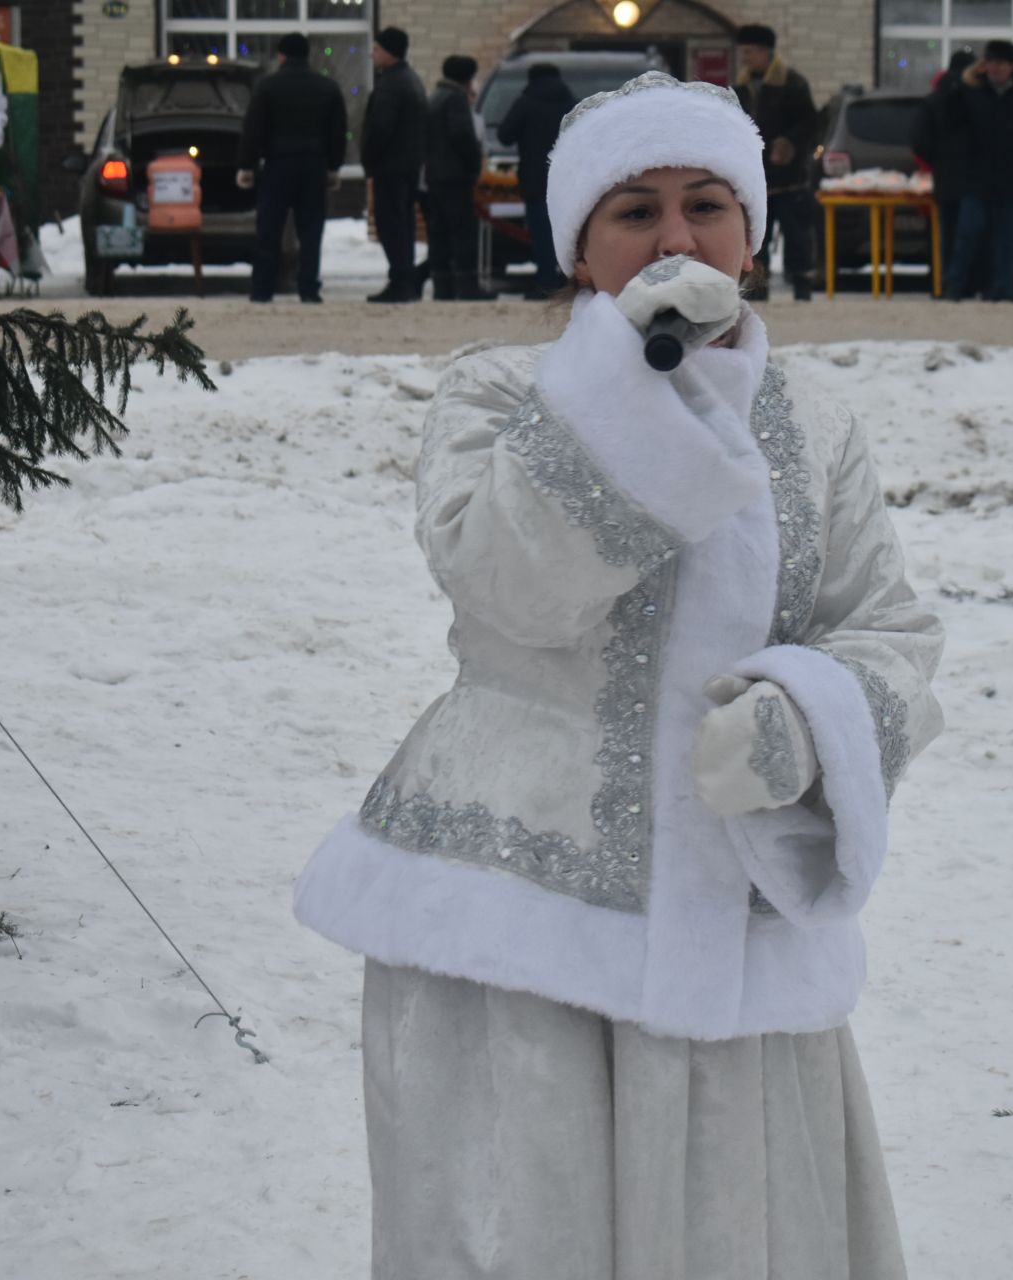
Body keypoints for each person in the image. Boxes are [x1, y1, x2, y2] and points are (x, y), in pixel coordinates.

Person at [293, 70, 941, 1279]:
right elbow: (505, 583)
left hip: (738, 924)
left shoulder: (819, 422)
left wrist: (808, 721)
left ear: (751, 232)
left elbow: (888, 628)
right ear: (580, 246)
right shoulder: (500, 390)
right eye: (635, 210)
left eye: (707, 204)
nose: (677, 236)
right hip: (517, 932)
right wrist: (641, 388)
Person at [237, 32, 347, 304]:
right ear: (307, 55)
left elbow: (254, 129)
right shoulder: (327, 87)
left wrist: (246, 165)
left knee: (269, 230)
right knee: (310, 231)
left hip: (277, 165)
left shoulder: (267, 86)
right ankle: (308, 288)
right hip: (313, 165)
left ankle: (263, 288)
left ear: (281, 55)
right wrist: (334, 167)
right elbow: (338, 132)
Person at [946, 40, 1013, 302]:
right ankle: (954, 285)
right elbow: (953, 127)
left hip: (1011, 178)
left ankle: (1003, 287)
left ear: (1012, 67)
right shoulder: (969, 94)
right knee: (967, 233)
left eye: (1000, 64)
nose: (994, 68)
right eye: (990, 63)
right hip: (976, 177)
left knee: (1007, 238)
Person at [735, 23, 820, 300]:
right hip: (757, 178)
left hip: (791, 178)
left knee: (797, 236)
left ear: (764, 52)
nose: (744, 58)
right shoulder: (742, 87)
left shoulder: (792, 84)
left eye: (748, 52)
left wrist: (790, 143)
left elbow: (810, 123)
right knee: (758, 238)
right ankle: (759, 290)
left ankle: (802, 288)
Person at [497, 61, 577, 297]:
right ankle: (567, 279)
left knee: (541, 232)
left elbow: (504, 136)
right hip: (566, 179)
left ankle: (545, 280)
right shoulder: (571, 103)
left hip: (534, 179)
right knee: (565, 231)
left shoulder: (525, 103)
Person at [362, 27, 427, 304]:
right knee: (403, 225)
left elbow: (380, 127)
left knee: (393, 226)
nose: (371, 54)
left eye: (376, 49)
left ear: (389, 52)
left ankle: (400, 281)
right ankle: (405, 280)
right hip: (407, 165)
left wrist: (370, 158)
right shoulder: (409, 79)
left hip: (391, 166)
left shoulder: (391, 83)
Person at [423, 55, 493, 301]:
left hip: (435, 175)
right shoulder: (455, 99)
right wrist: (474, 164)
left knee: (439, 233)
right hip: (455, 176)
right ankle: (467, 285)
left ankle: (443, 286)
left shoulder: (435, 97)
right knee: (462, 232)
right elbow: (462, 135)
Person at [912, 47, 979, 298]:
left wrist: (937, 161)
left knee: (944, 233)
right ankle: (964, 283)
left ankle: (941, 283)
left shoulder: (933, 99)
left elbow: (919, 139)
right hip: (973, 177)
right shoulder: (976, 96)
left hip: (945, 176)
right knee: (970, 232)